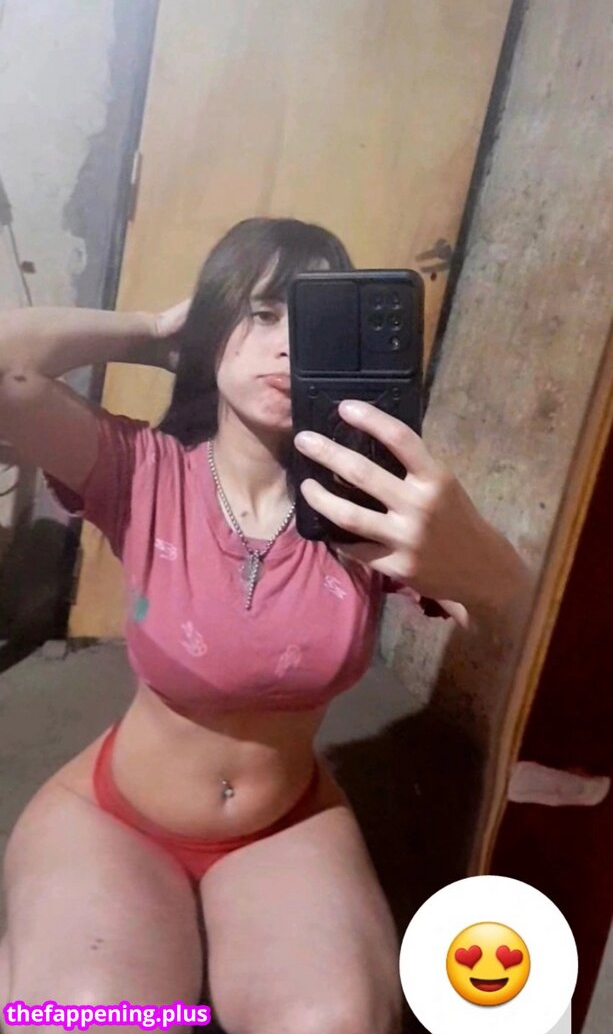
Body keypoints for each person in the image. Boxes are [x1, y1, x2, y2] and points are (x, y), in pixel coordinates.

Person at [0, 218, 530, 1034]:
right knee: (92, 1018)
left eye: (311, 323)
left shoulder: (369, 507)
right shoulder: (141, 472)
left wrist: (492, 571)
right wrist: (153, 333)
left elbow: (536, 640)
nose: (286, 345)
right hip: (115, 814)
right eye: (260, 313)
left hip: (283, 823)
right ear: (216, 325)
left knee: (336, 1022)